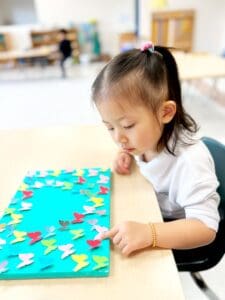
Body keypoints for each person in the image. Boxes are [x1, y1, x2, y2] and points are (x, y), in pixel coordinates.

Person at [91, 41, 220, 257]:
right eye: (110, 127)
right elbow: (131, 143)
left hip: (181, 230)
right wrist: (127, 153)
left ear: (166, 112)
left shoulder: (190, 161)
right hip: (152, 210)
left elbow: (205, 228)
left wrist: (149, 232)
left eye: (127, 126)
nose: (118, 137)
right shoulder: (146, 137)